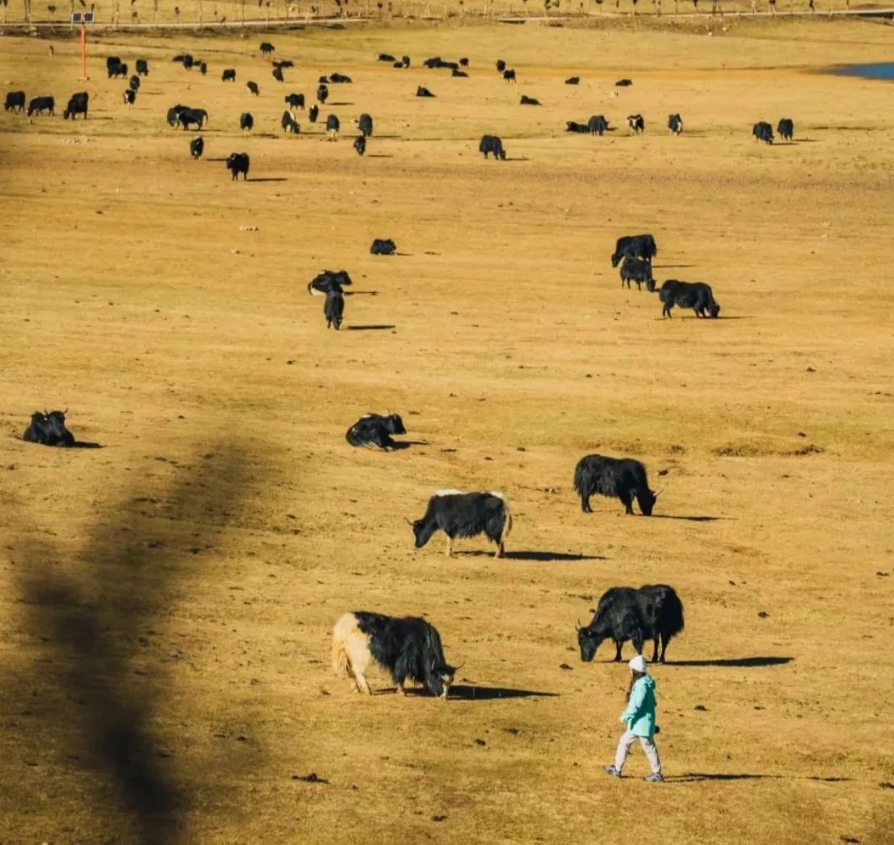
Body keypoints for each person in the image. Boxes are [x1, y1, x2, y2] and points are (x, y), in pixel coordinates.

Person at [603, 655, 663, 782]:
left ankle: (657, 774)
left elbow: (636, 705)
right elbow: (652, 704)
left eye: (631, 669)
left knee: (649, 747)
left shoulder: (641, 686)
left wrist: (625, 716)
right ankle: (617, 769)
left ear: (635, 670)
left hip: (640, 725)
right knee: (624, 742)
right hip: (639, 724)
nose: (629, 671)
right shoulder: (645, 683)